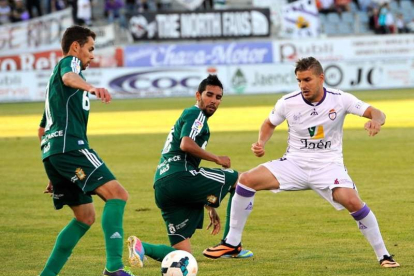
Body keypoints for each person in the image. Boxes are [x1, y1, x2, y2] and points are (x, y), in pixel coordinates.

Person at [203, 57, 400, 268]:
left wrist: (376, 121)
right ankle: (232, 243)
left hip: (328, 165)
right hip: (294, 164)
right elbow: (269, 123)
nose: (303, 85)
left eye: (307, 79)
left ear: (321, 78)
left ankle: (384, 255)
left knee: (352, 201)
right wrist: (261, 142)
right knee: (246, 180)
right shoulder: (288, 102)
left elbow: (378, 113)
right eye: (299, 80)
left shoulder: (340, 99)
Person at [37, 25, 136, 276]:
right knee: (118, 195)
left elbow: (42, 129)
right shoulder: (70, 64)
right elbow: (70, 76)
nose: (92, 55)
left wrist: (53, 170)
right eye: (90, 49)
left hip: (54, 153)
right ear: (75, 47)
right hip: (72, 147)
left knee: (85, 216)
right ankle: (114, 269)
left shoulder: (54, 89)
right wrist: (92, 88)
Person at [127, 75, 253, 267]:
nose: (213, 100)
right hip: (180, 177)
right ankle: (231, 245)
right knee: (241, 180)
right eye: (209, 95)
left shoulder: (190, 116)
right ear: (198, 95)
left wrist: (208, 204)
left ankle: (141, 247)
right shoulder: (196, 114)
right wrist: (217, 158)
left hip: (162, 185)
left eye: (218, 97)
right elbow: (186, 144)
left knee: (184, 255)